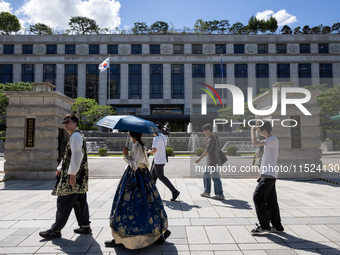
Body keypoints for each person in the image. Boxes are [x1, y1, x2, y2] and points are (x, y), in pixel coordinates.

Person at [105, 131, 170, 249]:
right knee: (149, 204)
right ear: (141, 135)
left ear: (131, 135)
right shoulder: (139, 146)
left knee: (130, 206)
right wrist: (129, 155)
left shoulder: (138, 147)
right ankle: (157, 233)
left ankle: (125, 237)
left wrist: (125, 155)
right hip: (141, 177)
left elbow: (134, 166)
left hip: (136, 178)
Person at [39, 113, 91, 239]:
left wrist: (72, 174)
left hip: (73, 176)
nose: (65, 124)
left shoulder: (75, 136)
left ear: (75, 123)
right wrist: (60, 168)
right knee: (80, 201)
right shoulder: (76, 135)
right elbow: (69, 155)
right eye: (64, 122)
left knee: (64, 201)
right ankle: (85, 226)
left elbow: (77, 155)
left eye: (67, 122)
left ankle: (55, 230)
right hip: (79, 175)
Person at [250, 120, 284, 234]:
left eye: (259, 130)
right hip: (268, 173)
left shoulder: (272, 139)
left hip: (269, 174)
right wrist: (261, 172)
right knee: (271, 200)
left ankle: (264, 226)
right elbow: (266, 158)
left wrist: (252, 131)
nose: (258, 131)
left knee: (257, 197)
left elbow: (254, 143)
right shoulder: (270, 140)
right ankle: (277, 226)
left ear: (264, 130)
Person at [148, 123, 180, 202]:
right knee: (153, 177)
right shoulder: (164, 136)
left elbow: (154, 150)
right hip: (161, 160)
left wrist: (149, 151)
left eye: (153, 130)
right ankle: (151, 194)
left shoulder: (156, 138)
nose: (152, 131)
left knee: (161, 176)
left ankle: (174, 191)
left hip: (158, 160)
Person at [195, 123, 224, 200]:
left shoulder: (211, 138)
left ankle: (220, 194)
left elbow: (207, 151)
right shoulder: (213, 137)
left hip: (213, 162)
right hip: (211, 161)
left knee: (215, 177)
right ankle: (206, 192)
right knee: (206, 175)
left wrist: (199, 159)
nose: (204, 132)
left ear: (207, 130)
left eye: (204, 131)